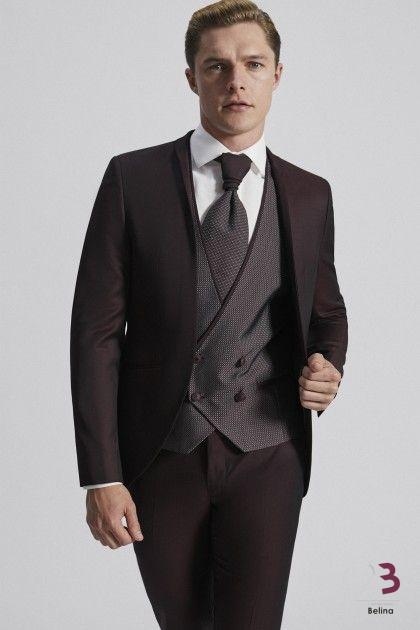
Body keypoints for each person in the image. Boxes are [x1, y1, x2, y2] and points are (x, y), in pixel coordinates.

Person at [70, 1, 348, 627]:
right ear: (191, 77)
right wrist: (101, 475)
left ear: (277, 75)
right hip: (161, 454)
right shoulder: (132, 179)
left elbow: (326, 313)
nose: (236, 81)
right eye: (217, 66)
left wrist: (328, 365)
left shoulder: (310, 194)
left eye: (253, 64)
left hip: (269, 452)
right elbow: (94, 335)